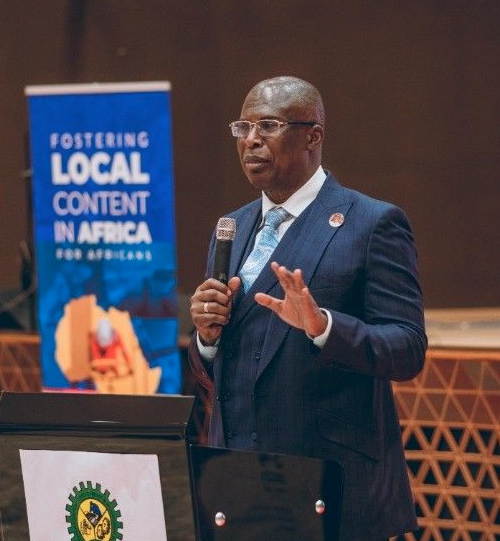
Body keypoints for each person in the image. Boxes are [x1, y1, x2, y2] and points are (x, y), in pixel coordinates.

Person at [188, 76, 427, 541]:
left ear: (312, 136)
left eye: (269, 126)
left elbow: (407, 349)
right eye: (243, 128)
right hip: (236, 485)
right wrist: (207, 338)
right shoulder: (231, 227)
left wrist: (325, 328)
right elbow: (222, 369)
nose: (251, 140)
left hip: (329, 486)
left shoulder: (371, 223)